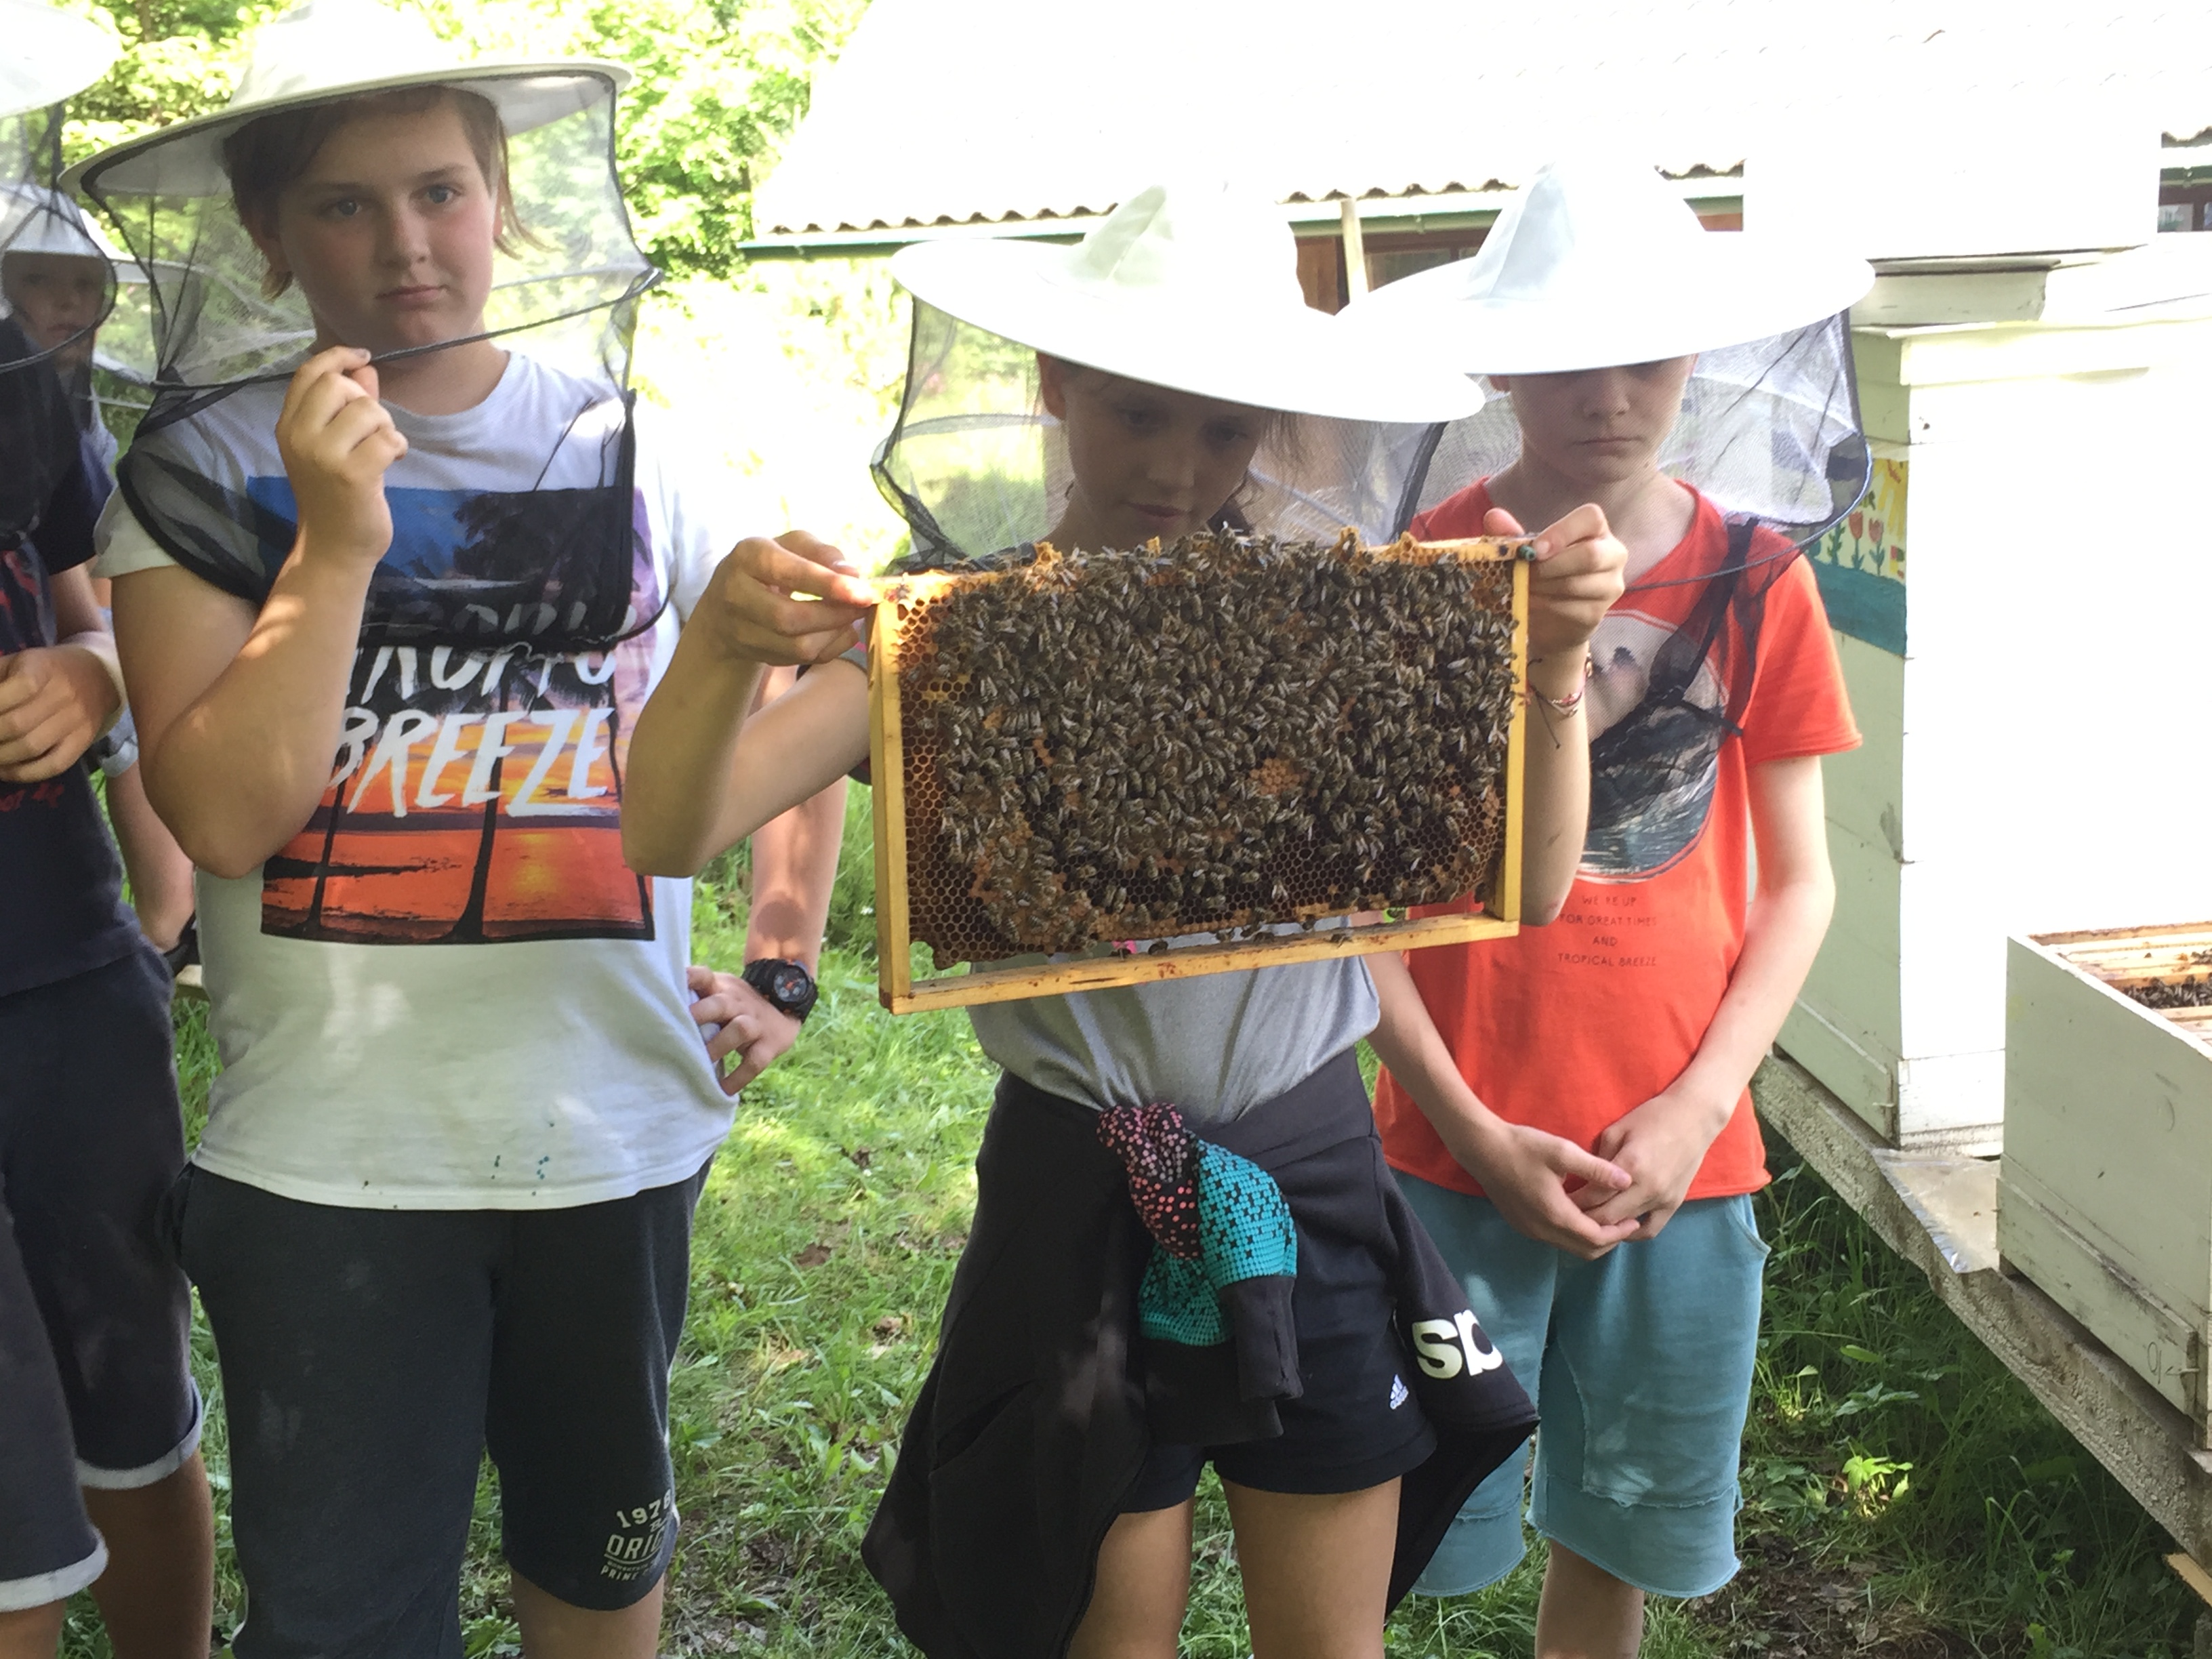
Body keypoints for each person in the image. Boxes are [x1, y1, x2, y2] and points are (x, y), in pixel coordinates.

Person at [619, 182, 1634, 1659]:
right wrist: (719, 644)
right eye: (1139, 414)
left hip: (1305, 1155)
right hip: (1080, 1172)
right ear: (1057, 383)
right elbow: (670, 830)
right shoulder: (950, 634)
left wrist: (1550, 666)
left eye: (1223, 429)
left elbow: (1527, 888)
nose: (1177, 465)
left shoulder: (1331, 628)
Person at [69, 2, 837, 1651]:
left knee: (600, 1562)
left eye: (439, 191)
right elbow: (222, 816)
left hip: (612, 1133)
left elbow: (788, 700)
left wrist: (783, 960)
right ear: (267, 234)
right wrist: (337, 540)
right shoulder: (200, 471)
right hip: (328, 1164)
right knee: (342, 1615)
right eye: (344, 204)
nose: (405, 244)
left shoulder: (635, 448)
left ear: (503, 197)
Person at [1345, 156, 1875, 1656]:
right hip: (1448, 1152)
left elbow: (1800, 881)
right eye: (1567, 355)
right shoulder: (1419, 575)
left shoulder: (1759, 580)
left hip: (1679, 1162)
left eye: (1643, 353)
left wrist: (1700, 1107)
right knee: (1393, 1526)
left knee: (1618, 1531)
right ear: (1500, 360)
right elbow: (1360, 912)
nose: (1609, 394)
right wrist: (1462, 1124)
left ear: (1693, 353)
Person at [0, 7, 216, 1654]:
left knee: (130, 1384)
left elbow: (104, 618)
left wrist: (89, 674)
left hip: (67, 971)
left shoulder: (20, 383)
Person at [3, 188, 198, 960]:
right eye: (39, 280)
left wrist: (101, 659)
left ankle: (164, 927)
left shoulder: (67, 406)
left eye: (85, 283)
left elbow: (85, 569)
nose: (68, 302)